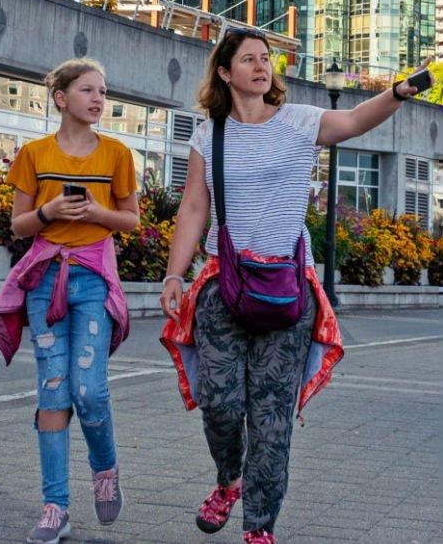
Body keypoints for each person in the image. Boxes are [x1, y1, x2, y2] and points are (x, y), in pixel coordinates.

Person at [159, 28, 429, 544]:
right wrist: (174, 274)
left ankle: (260, 526)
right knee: (219, 404)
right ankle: (229, 480)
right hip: (223, 286)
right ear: (225, 72)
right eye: (249, 60)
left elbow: (354, 120)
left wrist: (397, 92)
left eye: (266, 59)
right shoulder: (209, 135)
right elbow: (193, 208)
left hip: (285, 290)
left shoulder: (300, 121)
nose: (262, 67)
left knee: (272, 418)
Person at [0, 58, 140, 544]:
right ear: (61, 98)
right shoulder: (34, 154)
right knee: (53, 391)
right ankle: (55, 507)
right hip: (45, 278)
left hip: (93, 278)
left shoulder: (117, 154)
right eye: (88, 90)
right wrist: (49, 211)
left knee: (89, 391)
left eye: (103, 92)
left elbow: (131, 219)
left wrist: (96, 213)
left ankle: (105, 469)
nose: (98, 99)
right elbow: (19, 225)